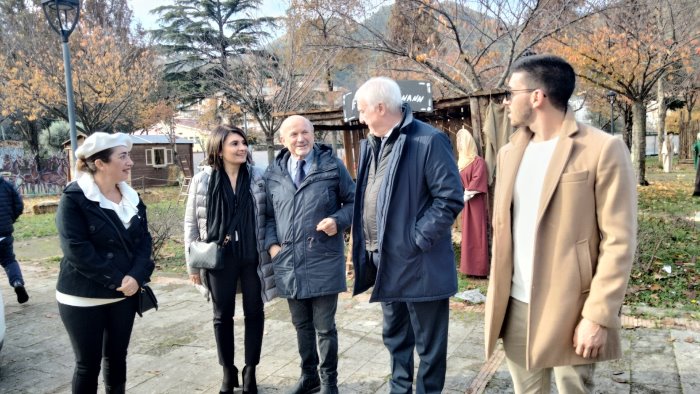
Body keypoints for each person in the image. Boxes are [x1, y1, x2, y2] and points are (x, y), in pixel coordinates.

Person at [484, 54, 637, 393]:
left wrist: (597, 316)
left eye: (511, 92)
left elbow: (619, 241)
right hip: (516, 304)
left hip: (572, 307)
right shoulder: (511, 152)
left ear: (536, 96)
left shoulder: (601, 149)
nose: (506, 101)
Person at [350, 77, 463, 393]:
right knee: (395, 336)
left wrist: (416, 240)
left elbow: (450, 198)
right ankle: (399, 389)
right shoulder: (371, 144)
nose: (359, 118)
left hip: (419, 263)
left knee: (429, 344)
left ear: (381, 108)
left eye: (362, 110)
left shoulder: (427, 140)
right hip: (385, 261)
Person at [55, 132, 155, 394]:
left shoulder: (131, 197)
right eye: (123, 156)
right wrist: (118, 280)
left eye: (129, 156)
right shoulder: (74, 198)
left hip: (124, 294)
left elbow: (144, 242)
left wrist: (136, 276)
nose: (130, 162)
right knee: (88, 365)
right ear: (100, 163)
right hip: (84, 297)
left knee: (117, 358)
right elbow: (76, 250)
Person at [264, 115, 355, 394]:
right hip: (288, 261)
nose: (300, 139)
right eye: (293, 134)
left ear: (313, 135)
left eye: (305, 132)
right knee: (301, 325)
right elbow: (268, 216)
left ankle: (329, 383)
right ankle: (309, 377)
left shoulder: (331, 166)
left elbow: (354, 202)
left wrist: (338, 220)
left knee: (325, 327)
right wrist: (272, 247)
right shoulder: (273, 173)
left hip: (323, 259)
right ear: (283, 140)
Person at [184, 125, 276, 394]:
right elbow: (191, 224)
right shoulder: (202, 181)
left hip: (252, 256)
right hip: (218, 259)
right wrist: (192, 265)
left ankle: (250, 370)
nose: (242, 148)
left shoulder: (258, 177)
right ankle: (228, 371)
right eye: (234, 143)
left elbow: (269, 215)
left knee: (255, 313)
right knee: (221, 316)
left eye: (243, 142)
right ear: (219, 148)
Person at [456, 128, 489, 277]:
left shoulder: (478, 161)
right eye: (458, 142)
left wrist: (465, 196)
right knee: (468, 233)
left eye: (461, 141)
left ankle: (480, 270)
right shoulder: (461, 163)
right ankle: (469, 269)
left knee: (478, 233)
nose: (459, 145)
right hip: (466, 203)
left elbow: (477, 180)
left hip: (475, 203)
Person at [0, 173, 29, 303]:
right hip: (4, 233)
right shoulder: (6, 185)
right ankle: (17, 282)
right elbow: (19, 205)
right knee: (9, 260)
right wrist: (10, 220)